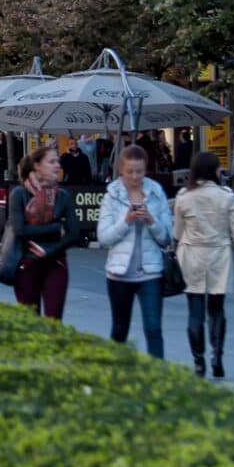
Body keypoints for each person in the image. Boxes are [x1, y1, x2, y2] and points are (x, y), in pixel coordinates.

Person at [172, 150, 234, 378]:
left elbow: (177, 232)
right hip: (219, 256)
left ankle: (198, 361)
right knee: (217, 309)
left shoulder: (184, 197)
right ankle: (217, 355)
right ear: (215, 171)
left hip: (192, 256)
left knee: (194, 311)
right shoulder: (226, 196)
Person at [97, 143, 172, 359]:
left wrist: (151, 220)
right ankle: (117, 376)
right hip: (119, 273)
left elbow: (166, 237)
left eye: (139, 171)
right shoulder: (112, 195)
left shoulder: (156, 193)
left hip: (151, 272)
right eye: (130, 171)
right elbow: (104, 237)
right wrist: (126, 221)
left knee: (153, 328)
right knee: (120, 329)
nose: (134, 176)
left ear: (146, 169)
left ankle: (158, 378)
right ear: (121, 170)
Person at [10, 146, 79, 320]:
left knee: (53, 322)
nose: (58, 165)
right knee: (30, 323)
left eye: (58, 161)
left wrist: (48, 250)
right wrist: (56, 229)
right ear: (37, 166)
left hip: (56, 263)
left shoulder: (62, 196)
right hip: (27, 263)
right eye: (51, 161)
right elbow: (21, 230)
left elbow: (73, 234)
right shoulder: (19, 194)